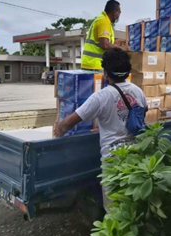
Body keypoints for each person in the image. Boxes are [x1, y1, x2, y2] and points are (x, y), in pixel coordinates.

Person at [53, 48, 147, 209]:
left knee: (114, 210)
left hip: (113, 159)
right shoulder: (138, 91)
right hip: (136, 155)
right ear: (127, 71)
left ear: (106, 73)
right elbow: (144, 111)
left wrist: (57, 130)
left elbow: (70, 122)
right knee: (133, 206)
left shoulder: (101, 96)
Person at [81, 0, 129, 71]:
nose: (119, 15)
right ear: (115, 12)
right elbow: (104, 45)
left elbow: (102, 42)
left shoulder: (103, 20)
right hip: (95, 65)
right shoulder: (104, 21)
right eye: (119, 12)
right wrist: (122, 48)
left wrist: (114, 43)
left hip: (91, 64)